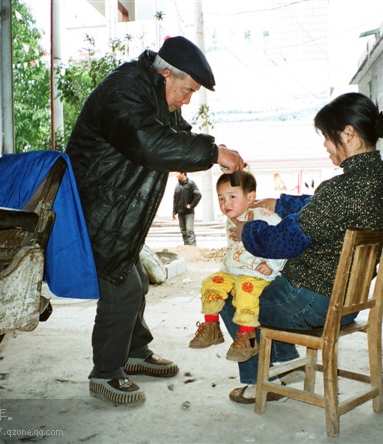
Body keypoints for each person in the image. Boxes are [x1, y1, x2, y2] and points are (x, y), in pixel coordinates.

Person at [66, 35, 245, 405]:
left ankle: (134, 353)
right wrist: (213, 153)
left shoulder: (155, 96)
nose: (187, 99)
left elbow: (178, 137)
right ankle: (105, 373)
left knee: (136, 281)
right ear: (166, 74)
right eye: (188, 90)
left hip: (119, 212)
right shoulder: (125, 90)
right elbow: (149, 143)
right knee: (122, 286)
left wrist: (215, 151)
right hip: (96, 209)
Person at [220, 92, 383, 404]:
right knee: (264, 286)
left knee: (230, 293)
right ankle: (286, 367)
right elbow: (321, 208)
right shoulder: (382, 181)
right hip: (347, 303)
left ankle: (260, 381)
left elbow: (284, 242)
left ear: (348, 134)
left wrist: (247, 230)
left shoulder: (342, 188)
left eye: (327, 138)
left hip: (312, 304)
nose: (325, 145)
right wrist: (280, 202)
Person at [188, 171, 286, 362]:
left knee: (244, 291)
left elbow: (283, 241)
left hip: (257, 273)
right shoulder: (230, 220)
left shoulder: (266, 216)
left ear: (250, 197)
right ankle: (211, 327)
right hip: (233, 271)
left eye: (232, 197)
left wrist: (273, 265)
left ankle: (247, 336)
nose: (226, 203)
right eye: (221, 198)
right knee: (210, 283)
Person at [173, 172, 202, 246]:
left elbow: (198, 195)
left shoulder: (191, 184)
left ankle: (193, 248)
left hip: (189, 212)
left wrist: (191, 205)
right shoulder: (177, 186)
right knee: (183, 231)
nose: (176, 175)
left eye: (177, 173)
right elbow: (175, 199)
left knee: (189, 230)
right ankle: (186, 247)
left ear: (183, 173)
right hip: (180, 212)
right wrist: (174, 211)